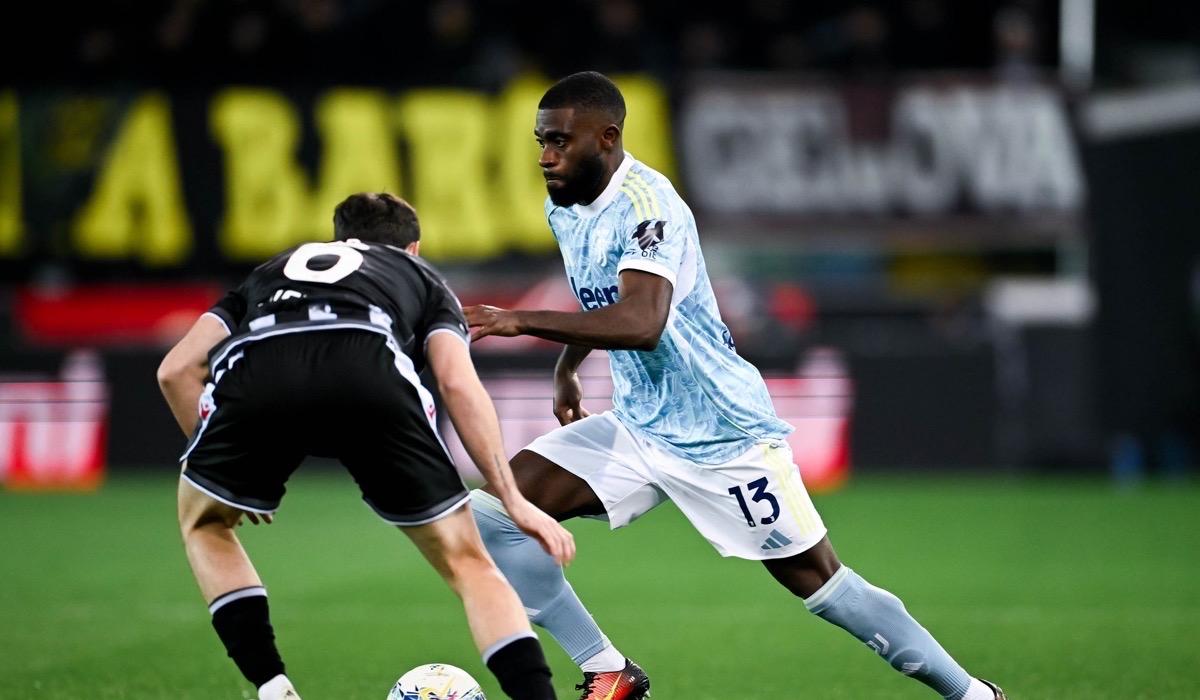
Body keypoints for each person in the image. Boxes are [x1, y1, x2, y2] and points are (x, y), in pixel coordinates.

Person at [463, 72, 1007, 700]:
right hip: (640, 425)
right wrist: (567, 367)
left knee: (823, 585)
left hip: (722, 433)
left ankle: (972, 694)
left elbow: (641, 322)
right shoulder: (565, 205)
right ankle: (608, 669)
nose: (545, 156)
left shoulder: (650, 206)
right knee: (495, 514)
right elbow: (602, 295)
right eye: (541, 141)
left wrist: (518, 320)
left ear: (607, 138)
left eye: (559, 141)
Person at [157, 193, 573, 700]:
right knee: (470, 564)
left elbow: (176, 370)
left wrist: (229, 474)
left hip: (260, 374)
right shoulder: (423, 278)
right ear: (412, 247)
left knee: (204, 524)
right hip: (369, 374)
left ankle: (271, 684)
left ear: (339, 239)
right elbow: (457, 382)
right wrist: (512, 499)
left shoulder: (269, 272)